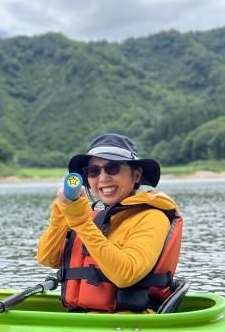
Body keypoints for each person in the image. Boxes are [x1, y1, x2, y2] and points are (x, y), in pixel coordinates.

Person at [37, 133, 183, 313]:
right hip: (81, 318)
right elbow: (47, 258)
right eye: (94, 171)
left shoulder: (152, 217)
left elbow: (126, 275)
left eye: (112, 168)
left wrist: (80, 222)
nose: (103, 177)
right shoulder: (90, 218)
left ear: (136, 175)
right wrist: (62, 209)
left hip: (129, 321)